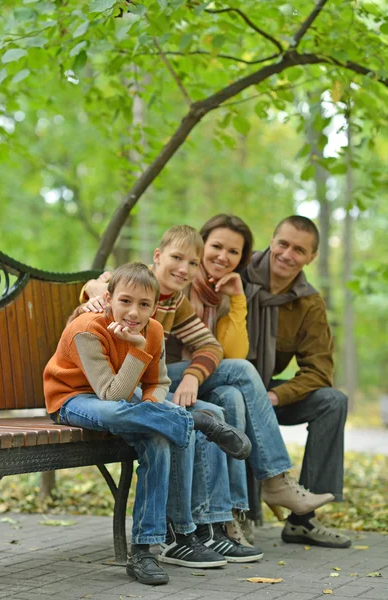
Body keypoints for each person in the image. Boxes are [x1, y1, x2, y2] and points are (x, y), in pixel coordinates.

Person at [82, 225, 334, 561]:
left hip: (153, 381)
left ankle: (218, 524)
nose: (184, 269)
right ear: (158, 256)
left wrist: (192, 377)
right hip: (113, 386)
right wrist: (93, 287)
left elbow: (212, 346)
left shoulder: (177, 301)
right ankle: (269, 483)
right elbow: (104, 288)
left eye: (191, 263)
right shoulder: (132, 285)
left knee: (228, 393)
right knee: (230, 388)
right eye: (176, 259)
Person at [43, 262, 252, 586]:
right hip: (74, 400)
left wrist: (154, 406)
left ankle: (144, 550)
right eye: (125, 301)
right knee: (116, 413)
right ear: (109, 298)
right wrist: (138, 352)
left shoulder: (153, 330)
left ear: (155, 307)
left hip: (128, 401)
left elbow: (159, 382)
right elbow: (112, 396)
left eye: (144, 305)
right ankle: (196, 421)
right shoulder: (87, 329)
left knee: (158, 437)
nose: (133, 312)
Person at [164, 215, 334, 547]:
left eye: (232, 252)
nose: (223, 257)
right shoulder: (180, 278)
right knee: (240, 373)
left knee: (232, 394)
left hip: (212, 383)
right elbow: (129, 283)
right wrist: (97, 285)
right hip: (160, 383)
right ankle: (276, 479)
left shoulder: (222, 292)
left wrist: (237, 301)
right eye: (215, 248)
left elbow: (224, 350)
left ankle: (230, 518)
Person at [241, 215, 351, 548]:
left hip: (268, 390)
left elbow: (319, 371)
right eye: (283, 244)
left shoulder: (309, 302)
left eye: (299, 250)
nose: (288, 254)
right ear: (271, 241)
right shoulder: (237, 274)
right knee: (233, 402)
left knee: (333, 401)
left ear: (311, 258)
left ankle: (302, 520)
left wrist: (274, 397)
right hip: (222, 383)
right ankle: (235, 513)